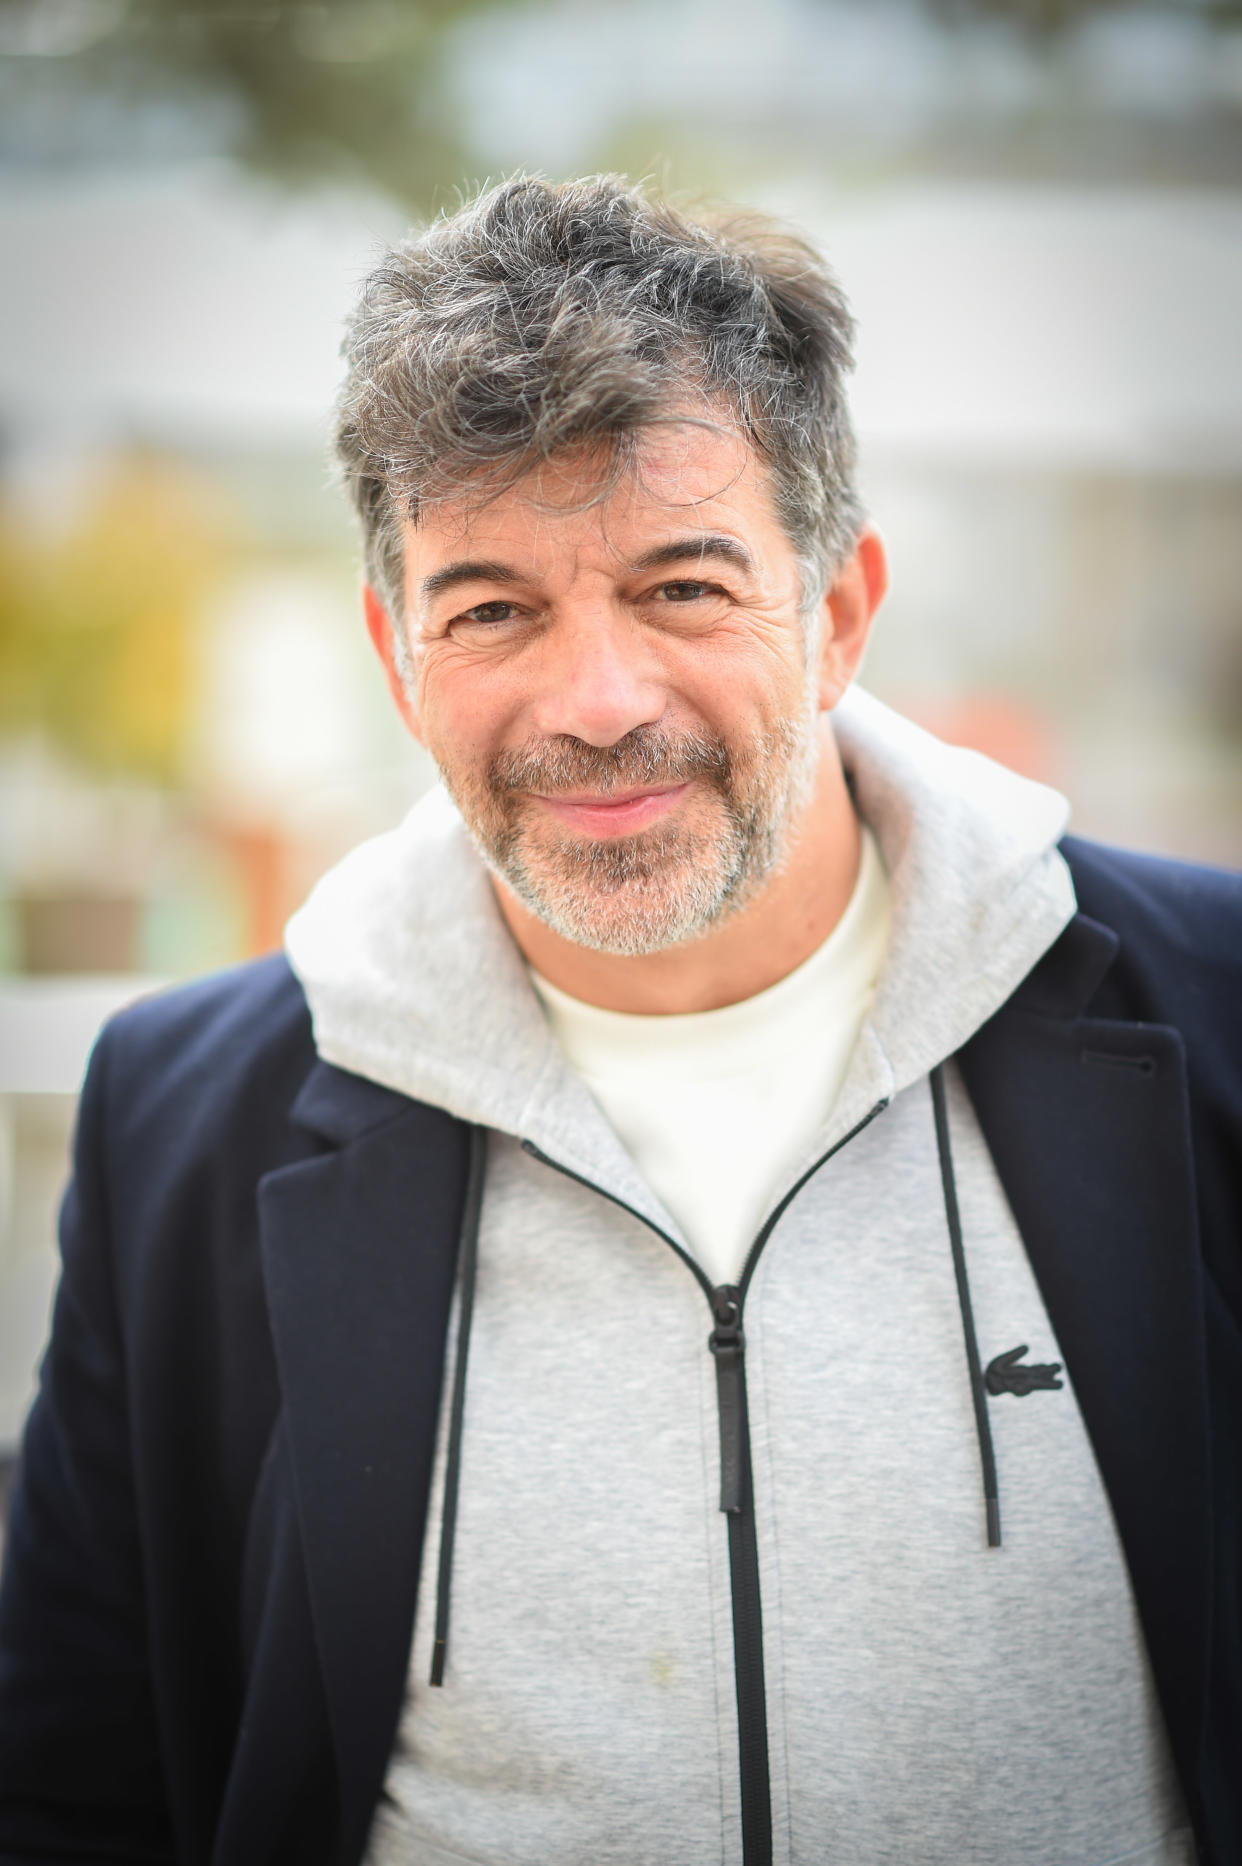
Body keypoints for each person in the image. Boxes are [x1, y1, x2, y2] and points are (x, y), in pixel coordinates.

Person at [0, 174, 1238, 1866]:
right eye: (493, 607)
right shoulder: (184, 1120)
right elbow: (76, 1785)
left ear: (838, 615)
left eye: (680, 587)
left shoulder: (1215, 1018)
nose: (595, 701)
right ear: (396, 653)